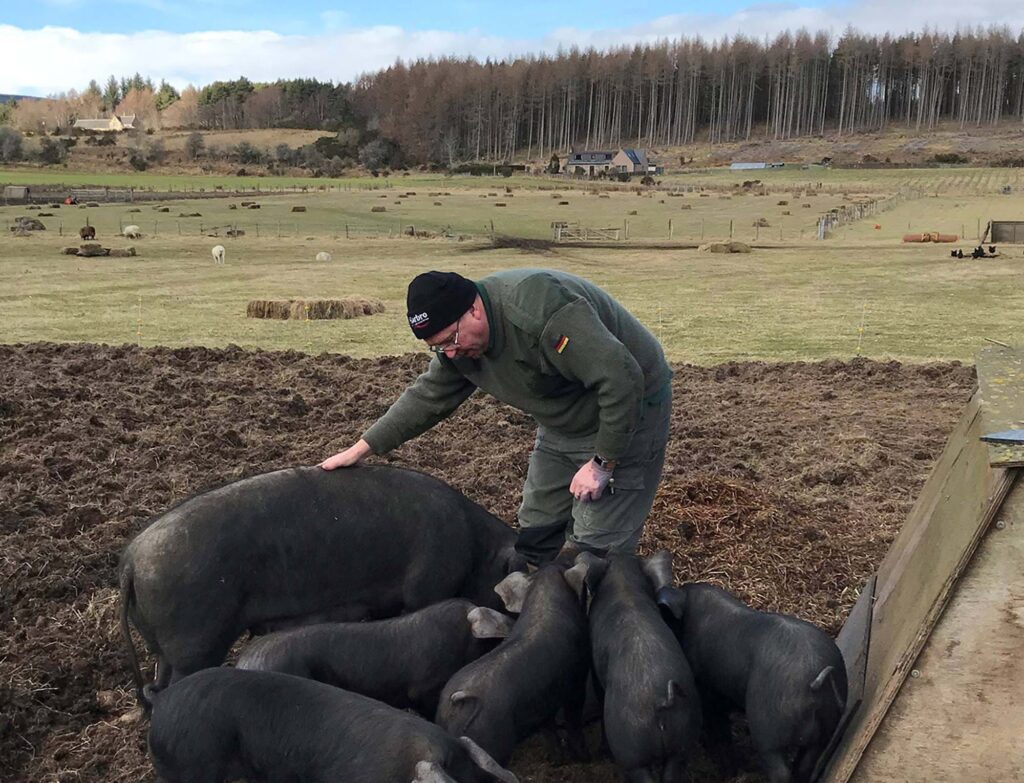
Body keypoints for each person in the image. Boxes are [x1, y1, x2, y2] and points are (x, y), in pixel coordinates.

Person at [320, 269, 673, 565]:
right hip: (563, 418)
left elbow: (621, 379)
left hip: (631, 408)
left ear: (474, 309)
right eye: (439, 347)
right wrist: (362, 448)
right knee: (536, 531)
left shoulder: (539, 311)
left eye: (451, 339)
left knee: (595, 549)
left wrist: (602, 463)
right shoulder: (459, 348)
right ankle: (543, 608)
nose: (451, 352)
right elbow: (429, 396)